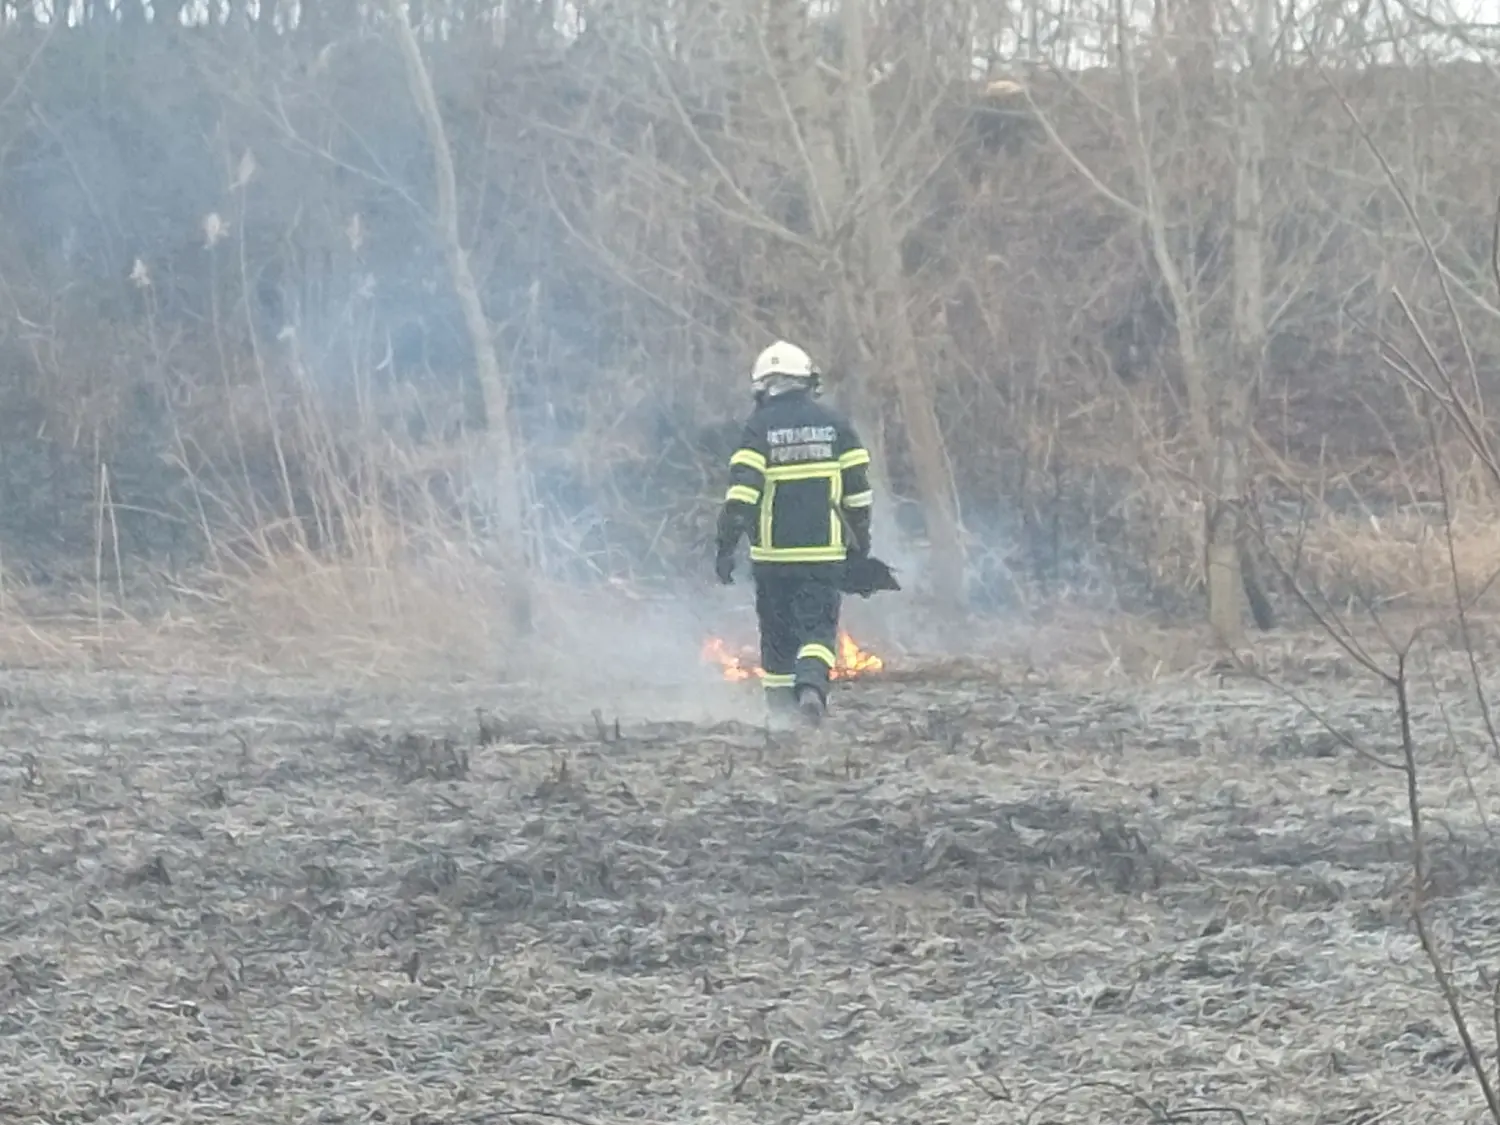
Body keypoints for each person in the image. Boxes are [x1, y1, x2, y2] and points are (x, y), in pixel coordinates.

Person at [714, 340, 874, 727]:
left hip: (772, 560)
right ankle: (810, 691)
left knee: (777, 638)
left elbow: (742, 494)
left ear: (763, 387)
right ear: (807, 381)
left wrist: (726, 546)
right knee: (817, 631)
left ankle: (781, 720)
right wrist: (860, 542)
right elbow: (858, 493)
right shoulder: (836, 425)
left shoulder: (758, 429)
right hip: (823, 556)